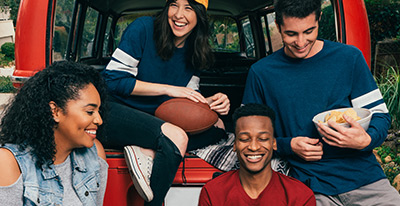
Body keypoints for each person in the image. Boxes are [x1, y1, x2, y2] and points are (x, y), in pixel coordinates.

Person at [242, 0, 400, 205]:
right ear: (278, 26)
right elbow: (247, 133)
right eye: (291, 34)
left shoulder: (349, 58)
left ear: (319, 19)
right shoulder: (261, 73)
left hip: (364, 179)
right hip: (308, 184)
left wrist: (366, 140)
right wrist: (288, 145)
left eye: (309, 31)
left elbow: (379, 114)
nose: (300, 42)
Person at [101, 0, 230, 205]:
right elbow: (112, 81)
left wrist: (211, 101)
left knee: (219, 127)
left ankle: (147, 151)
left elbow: (187, 96)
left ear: (200, 14)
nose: (179, 15)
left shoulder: (195, 47)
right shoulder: (143, 28)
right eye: (174, 5)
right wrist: (167, 88)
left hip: (154, 118)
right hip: (115, 111)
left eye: (188, 8)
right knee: (176, 138)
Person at [0, 61, 108, 205]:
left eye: (98, 111)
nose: (99, 120)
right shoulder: (9, 163)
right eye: (90, 111)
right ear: (55, 111)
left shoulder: (94, 154)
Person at [198, 103, 316, 206]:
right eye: (244, 139)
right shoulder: (213, 192)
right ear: (234, 144)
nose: (253, 147)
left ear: (274, 143)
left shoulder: (300, 195)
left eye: (263, 138)